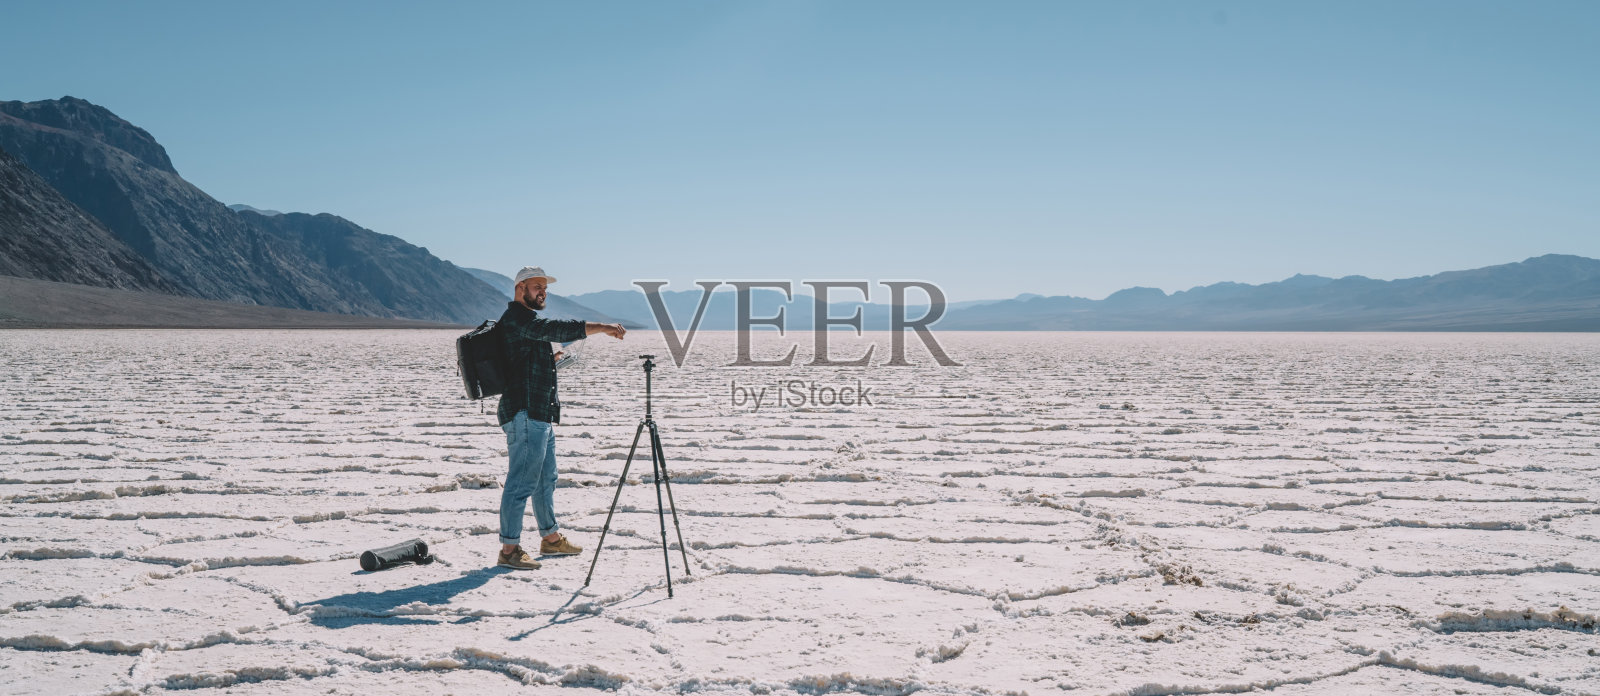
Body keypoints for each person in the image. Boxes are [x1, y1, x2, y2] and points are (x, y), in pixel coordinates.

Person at [495, 266, 626, 570]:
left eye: (545, 288)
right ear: (520, 288)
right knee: (521, 481)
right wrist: (602, 327)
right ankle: (509, 549)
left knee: (545, 479)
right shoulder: (518, 318)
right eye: (537, 286)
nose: (543, 292)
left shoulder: (527, 322)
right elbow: (555, 329)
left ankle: (551, 539)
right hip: (525, 412)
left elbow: (526, 359)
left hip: (540, 412)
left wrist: (550, 360)